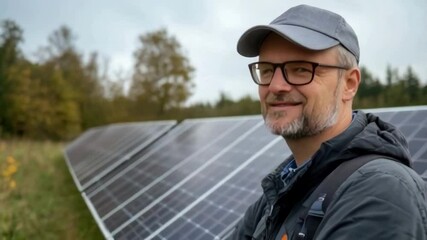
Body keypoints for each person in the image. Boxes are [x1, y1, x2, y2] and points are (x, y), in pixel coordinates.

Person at [229, 4, 427, 240]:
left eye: (301, 69)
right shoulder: (282, 189)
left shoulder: (382, 192)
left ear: (349, 84)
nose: (276, 86)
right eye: (267, 70)